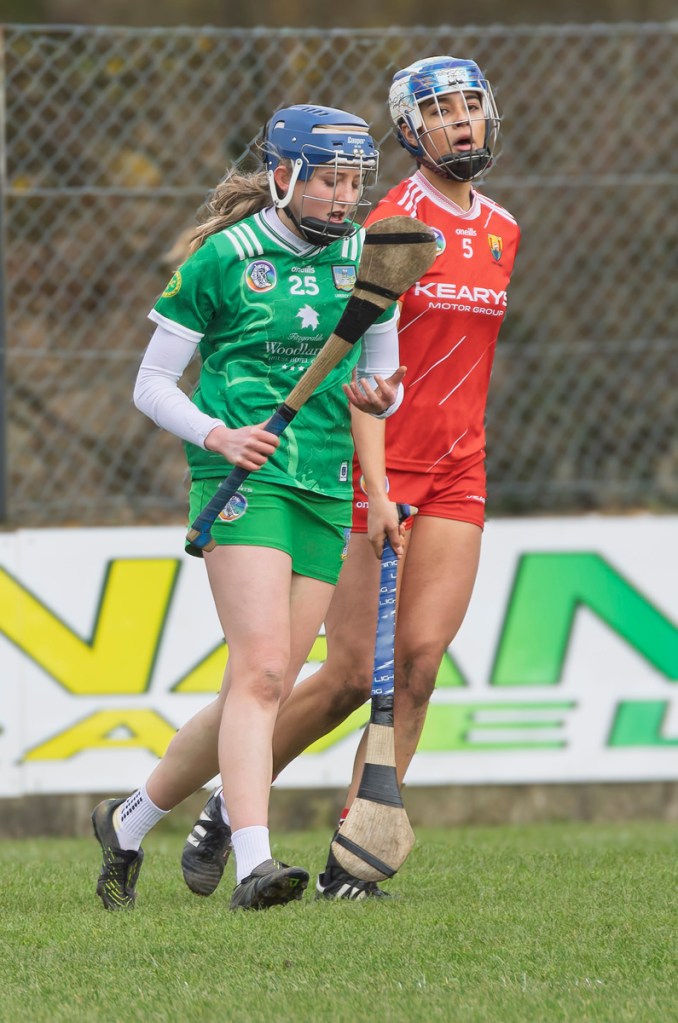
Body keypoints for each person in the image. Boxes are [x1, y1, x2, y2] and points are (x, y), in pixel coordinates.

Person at [179, 55, 521, 901]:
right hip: (375, 465)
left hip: (459, 467)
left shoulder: (503, 228)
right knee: (346, 676)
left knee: (421, 666)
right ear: (408, 130)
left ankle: (355, 858)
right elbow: (361, 360)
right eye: (439, 111)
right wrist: (373, 473)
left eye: (469, 106)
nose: (460, 123)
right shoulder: (390, 226)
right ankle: (228, 802)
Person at [91, 103, 407, 912]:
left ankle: (130, 819)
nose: (344, 196)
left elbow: (382, 380)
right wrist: (218, 434)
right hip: (242, 480)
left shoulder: (370, 259)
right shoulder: (224, 258)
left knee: (256, 686)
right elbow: (150, 384)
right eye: (329, 180)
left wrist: (381, 401)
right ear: (284, 175)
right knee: (264, 672)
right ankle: (254, 865)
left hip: (325, 481)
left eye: (354, 181)